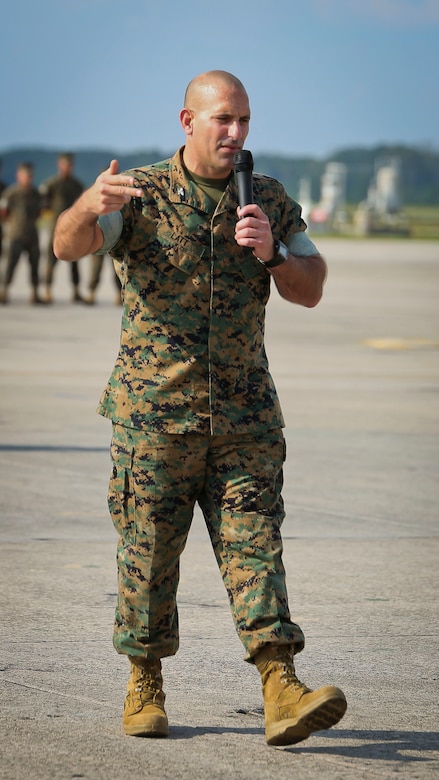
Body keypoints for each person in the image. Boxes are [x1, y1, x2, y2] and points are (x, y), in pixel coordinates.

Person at [53, 70, 347, 747]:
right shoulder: (142, 194)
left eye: (243, 119)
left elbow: (311, 287)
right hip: (155, 417)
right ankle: (144, 682)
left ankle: (281, 685)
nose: (235, 132)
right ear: (187, 122)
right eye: (222, 119)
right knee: (148, 556)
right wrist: (81, 206)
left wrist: (272, 254)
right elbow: (71, 245)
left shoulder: (267, 199)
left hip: (244, 420)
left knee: (255, 550)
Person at [39, 152, 85, 303]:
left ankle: (76, 291)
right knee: (51, 260)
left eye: (69, 164)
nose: (67, 167)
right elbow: (42, 202)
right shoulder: (51, 184)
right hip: (56, 228)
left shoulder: (77, 185)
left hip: (73, 228)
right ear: (59, 165)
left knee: (75, 261)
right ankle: (47, 290)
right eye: (64, 164)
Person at [0, 162, 44, 304]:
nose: (28, 178)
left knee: (35, 265)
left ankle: (35, 294)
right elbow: (4, 213)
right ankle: (4, 292)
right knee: (10, 264)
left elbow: (40, 212)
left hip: (32, 234)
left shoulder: (36, 194)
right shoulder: (11, 193)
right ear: (18, 175)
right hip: (16, 235)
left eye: (30, 175)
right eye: (25, 175)